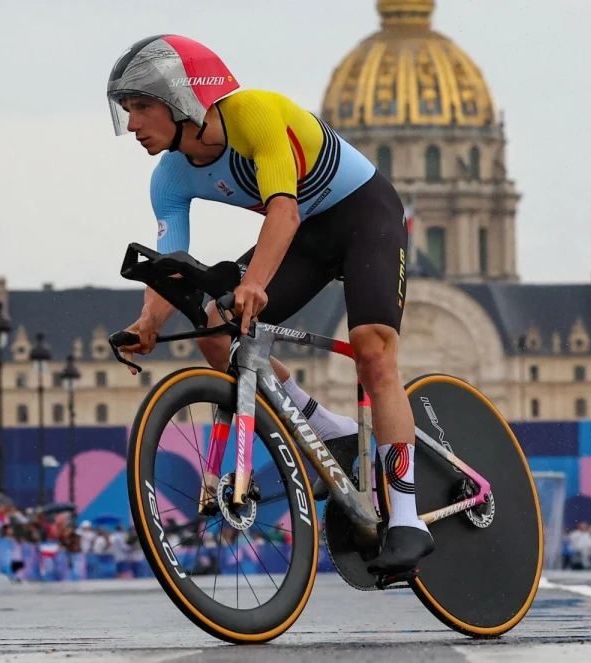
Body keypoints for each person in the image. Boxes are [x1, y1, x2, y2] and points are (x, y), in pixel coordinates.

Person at [108, 35, 429, 575]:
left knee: (374, 352)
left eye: (142, 106)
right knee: (212, 326)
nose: (133, 123)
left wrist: (255, 285)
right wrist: (146, 321)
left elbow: (284, 212)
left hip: (361, 216)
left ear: (181, 98)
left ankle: (407, 517)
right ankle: (327, 428)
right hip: (305, 237)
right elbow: (171, 265)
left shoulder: (253, 114)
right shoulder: (168, 177)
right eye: (127, 111)